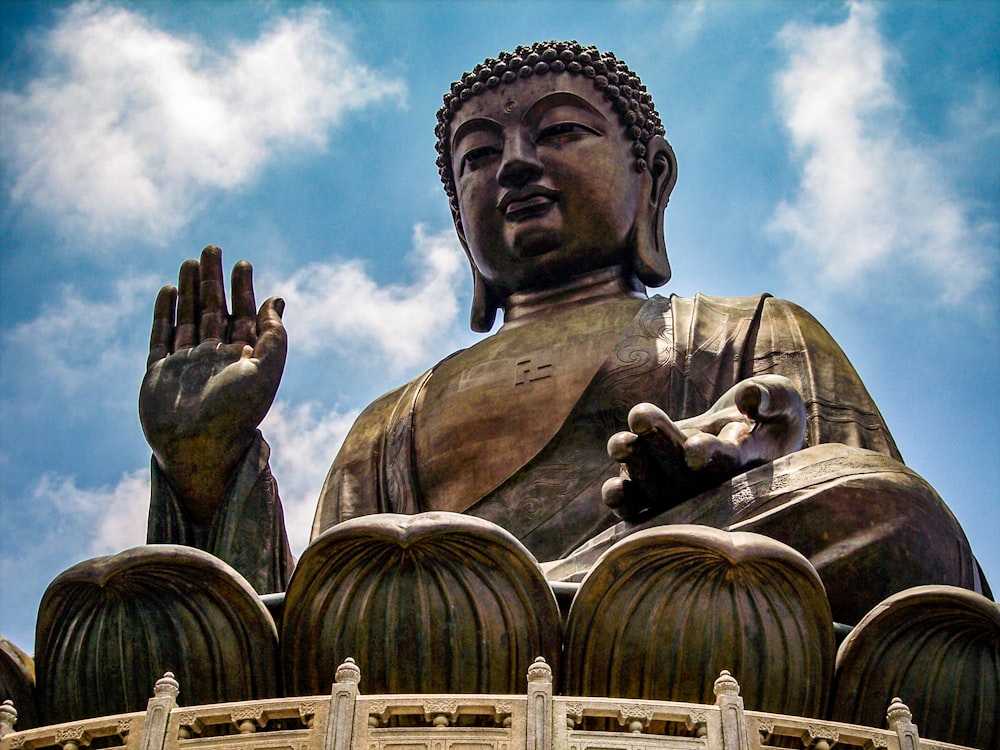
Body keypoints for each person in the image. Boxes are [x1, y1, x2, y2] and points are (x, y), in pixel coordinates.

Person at [140, 42, 984, 625]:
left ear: (650, 178)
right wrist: (203, 468)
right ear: (460, 223)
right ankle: (541, 605)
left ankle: (548, 602)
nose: (511, 164)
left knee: (885, 503)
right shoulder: (388, 421)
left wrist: (738, 471)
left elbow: (895, 551)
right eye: (478, 154)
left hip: (680, 608)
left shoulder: (748, 327)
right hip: (431, 641)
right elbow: (299, 626)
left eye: (559, 131)